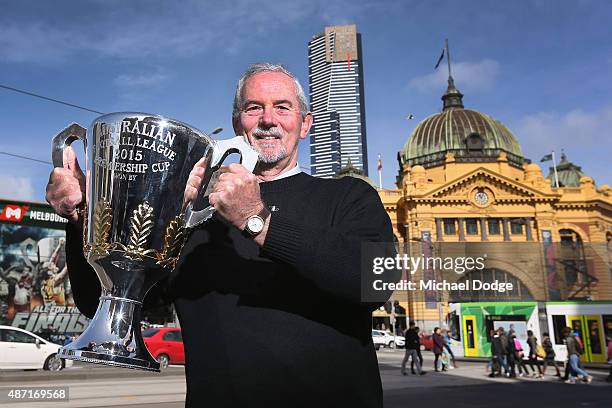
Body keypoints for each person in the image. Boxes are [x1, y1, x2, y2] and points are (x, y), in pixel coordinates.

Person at [46, 63, 396, 407]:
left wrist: (256, 219)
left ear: (305, 124)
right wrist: (82, 220)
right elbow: (107, 305)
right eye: (253, 107)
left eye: (282, 107)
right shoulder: (192, 213)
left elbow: (374, 283)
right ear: (236, 122)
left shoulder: (350, 196)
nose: (268, 119)